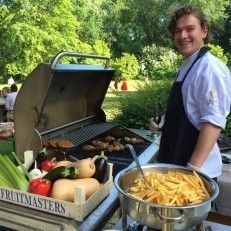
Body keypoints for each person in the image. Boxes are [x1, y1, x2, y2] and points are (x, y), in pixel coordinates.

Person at [149, 5, 231, 179]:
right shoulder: (188, 65)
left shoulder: (210, 68)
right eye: (178, 31)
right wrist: (164, 120)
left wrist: (191, 170)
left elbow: (213, 122)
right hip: (175, 163)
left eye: (190, 29)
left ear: (204, 31)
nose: (183, 35)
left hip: (194, 172)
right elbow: (191, 110)